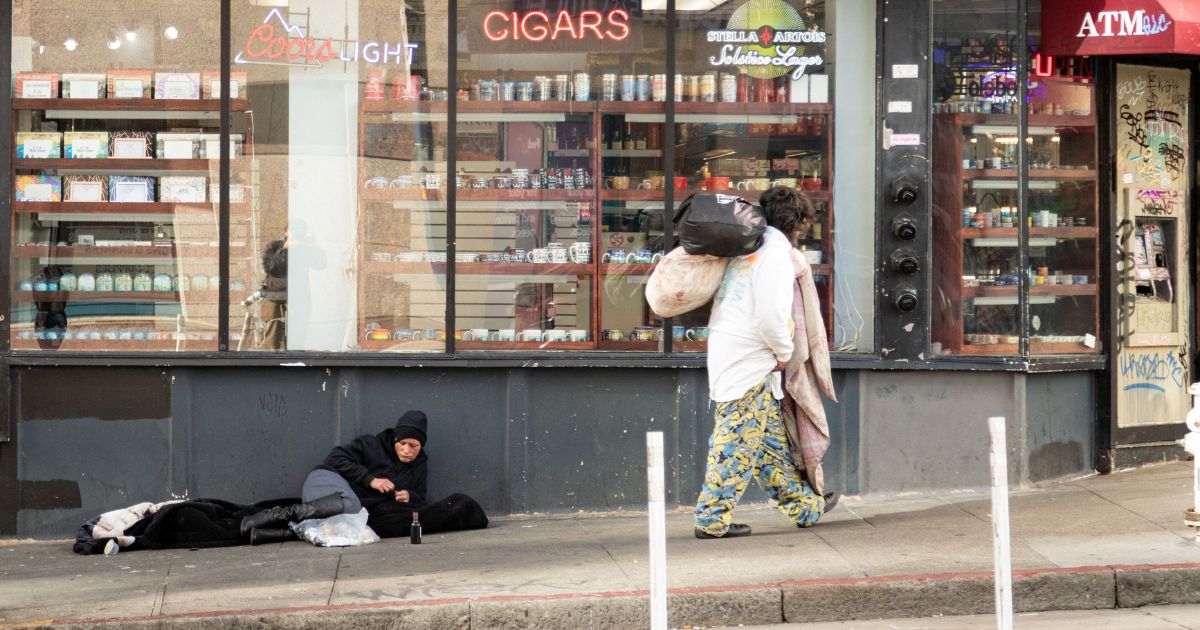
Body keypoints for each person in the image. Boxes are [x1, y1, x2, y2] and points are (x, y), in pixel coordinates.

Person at [693, 186, 836, 539]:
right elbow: (772, 317)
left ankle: (805, 507)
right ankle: (711, 519)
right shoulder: (774, 256)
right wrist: (784, 354)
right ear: (799, 223)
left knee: (768, 443)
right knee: (735, 444)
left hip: (732, 350)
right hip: (751, 359)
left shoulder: (751, 247)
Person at [240, 410, 487, 544]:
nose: (407, 451)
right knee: (352, 507)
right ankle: (274, 514)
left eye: (414, 446)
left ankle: (270, 533)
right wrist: (371, 480)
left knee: (361, 527)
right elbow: (334, 459)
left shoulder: (420, 465)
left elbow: (420, 497)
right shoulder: (371, 444)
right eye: (403, 444)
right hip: (326, 480)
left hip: (349, 509)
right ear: (395, 440)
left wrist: (408, 495)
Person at [260, 230, 288, 350]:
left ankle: (294, 356)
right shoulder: (274, 246)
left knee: (297, 330)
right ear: (286, 232)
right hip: (274, 293)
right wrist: (284, 249)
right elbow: (269, 267)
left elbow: (320, 265)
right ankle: (271, 359)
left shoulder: (306, 247)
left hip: (296, 295)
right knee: (273, 327)